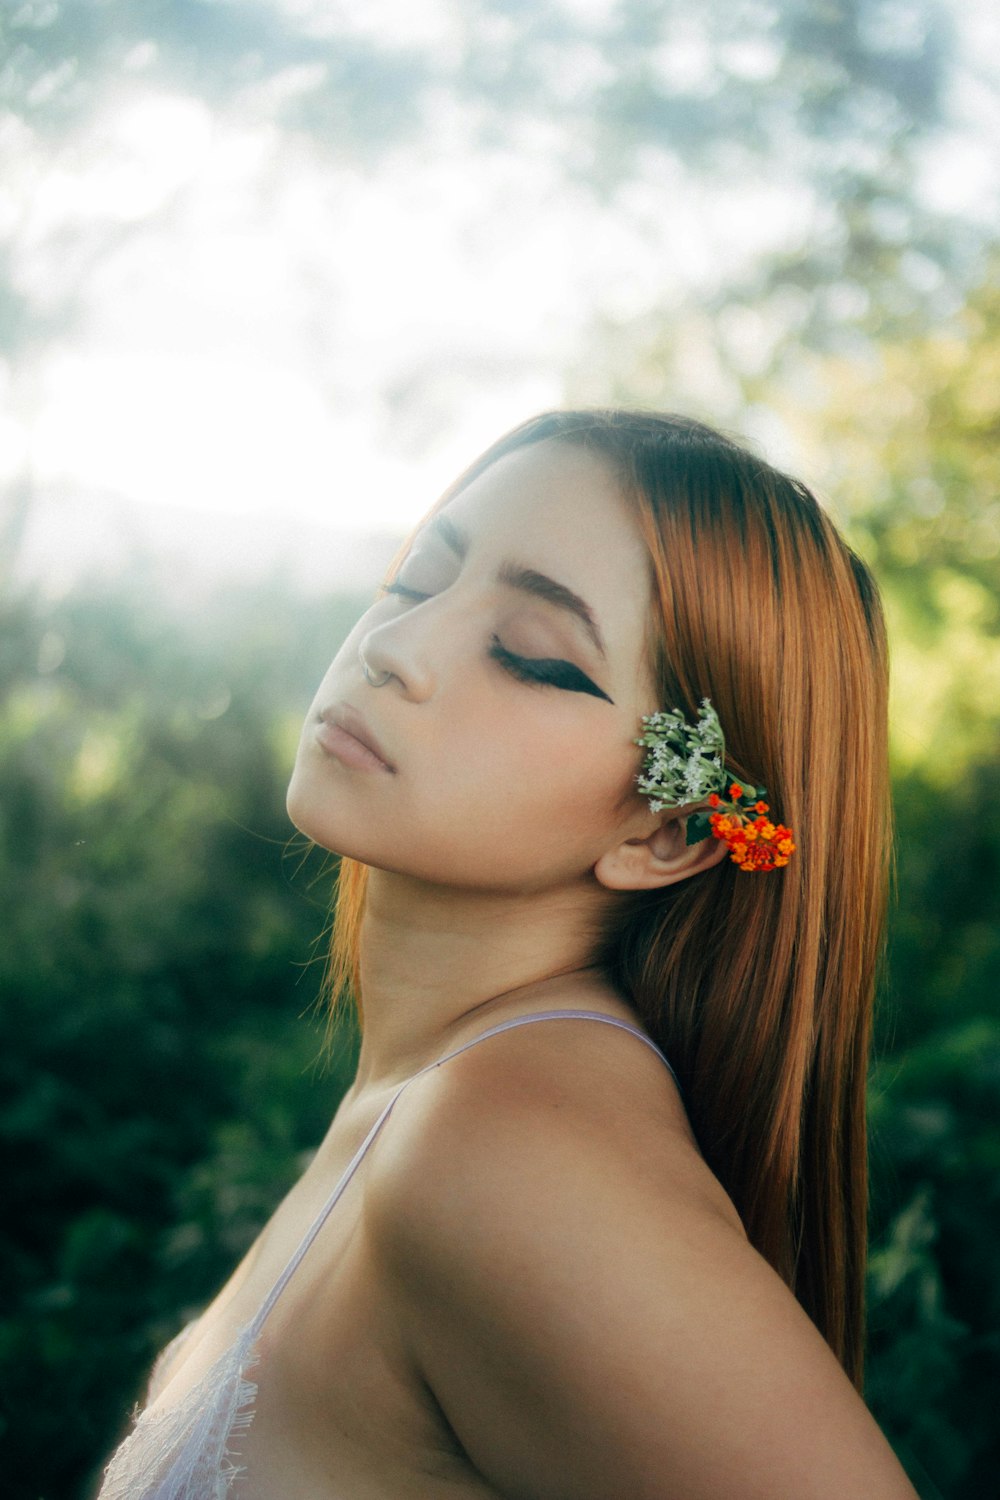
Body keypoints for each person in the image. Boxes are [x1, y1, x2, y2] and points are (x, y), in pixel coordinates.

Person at [97, 409, 920, 1498]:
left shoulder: (510, 1156)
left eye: (529, 657)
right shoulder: (440, 1099)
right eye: (414, 583)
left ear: (663, 830)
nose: (394, 650)